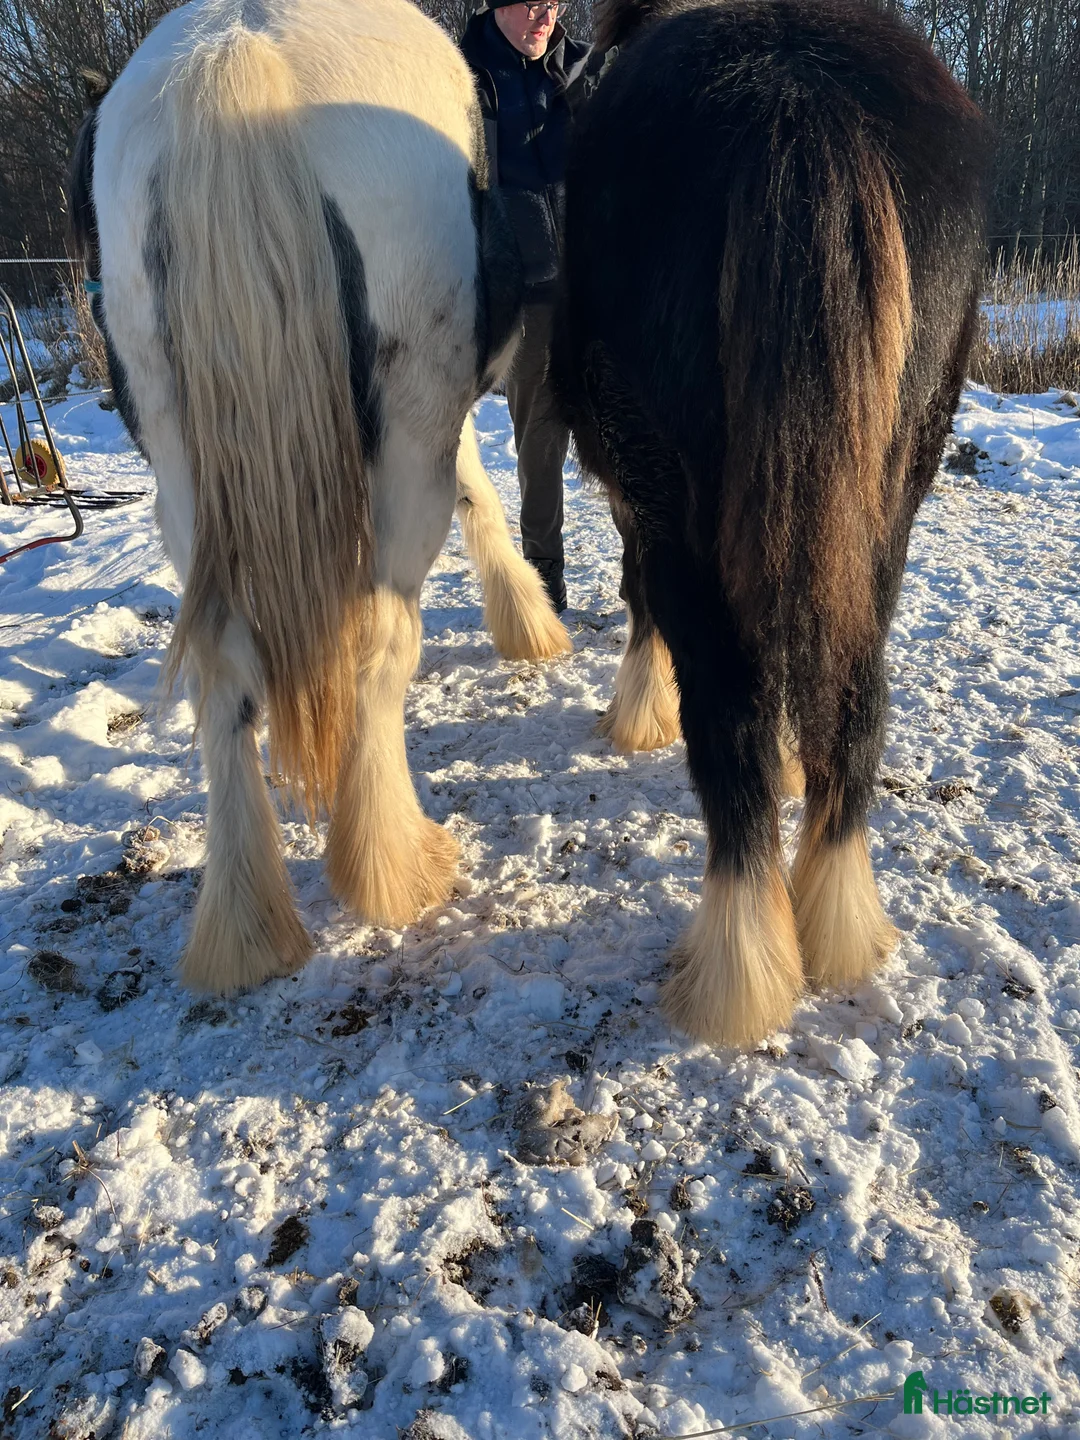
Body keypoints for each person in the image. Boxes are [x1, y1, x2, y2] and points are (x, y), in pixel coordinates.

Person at [461, 0, 606, 615]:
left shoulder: (584, 71)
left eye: (556, 2)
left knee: (620, 434)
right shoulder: (461, 80)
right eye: (530, 4)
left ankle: (645, 580)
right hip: (524, 297)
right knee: (538, 441)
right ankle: (545, 574)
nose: (545, 18)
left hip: (598, 288)